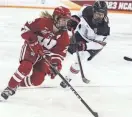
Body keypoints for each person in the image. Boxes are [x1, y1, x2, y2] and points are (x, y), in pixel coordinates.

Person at [1, 6, 71, 100]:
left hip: (44, 56)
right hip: (31, 49)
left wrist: (55, 64)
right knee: (26, 67)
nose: (65, 23)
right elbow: (25, 29)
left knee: (37, 80)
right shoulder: (43, 22)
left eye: (66, 21)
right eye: (63, 20)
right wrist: (33, 41)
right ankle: (10, 87)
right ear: (56, 18)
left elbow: (60, 53)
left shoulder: (64, 36)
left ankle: (18, 83)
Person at [60, 1, 110, 88]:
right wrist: (73, 21)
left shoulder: (104, 28)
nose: (99, 16)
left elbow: (99, 44)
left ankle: (68, 78)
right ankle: (55, 66)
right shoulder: (87, 10)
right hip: (81, 35)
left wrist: (85, 46)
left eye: (102, 15)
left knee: (81, 59)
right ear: (93, 11)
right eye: (97, 14)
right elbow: (78, 16)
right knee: (67, 51)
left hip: (94, 44)